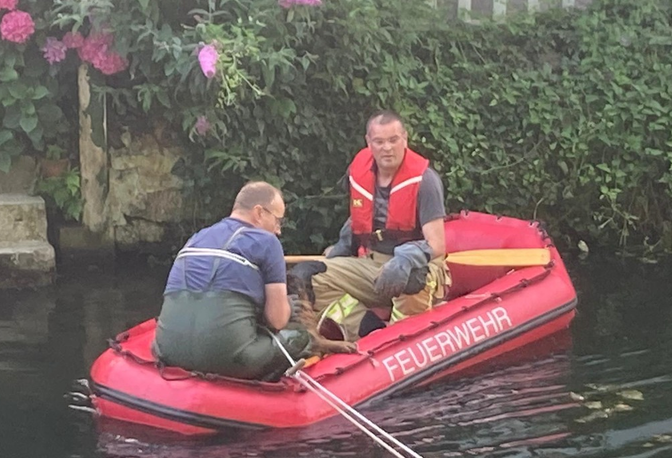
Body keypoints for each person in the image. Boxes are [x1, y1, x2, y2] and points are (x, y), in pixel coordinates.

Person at [304, 110, 450, 340]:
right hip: (374, 263)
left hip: (419, 266)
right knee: (315, 278)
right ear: (369, 142)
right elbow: (358, 217)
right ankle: (367, 330)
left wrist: (406, 258)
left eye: (393, 140)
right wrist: (342, 247)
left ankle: (404, 340)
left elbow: (437, 244)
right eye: (379, 141)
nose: (387, 148)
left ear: (405, 139)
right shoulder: (358, 170)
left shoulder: (426, 181)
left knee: (412, 279)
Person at [152, 181, 308, 381]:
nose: (278, 230)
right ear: (259, 212)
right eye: (278, 220)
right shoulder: (268, 243)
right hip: (232, 359)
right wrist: (286, 306)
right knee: (301, 336)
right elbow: (276, 320)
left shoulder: (197, 237)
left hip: (169, 351)